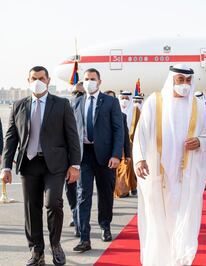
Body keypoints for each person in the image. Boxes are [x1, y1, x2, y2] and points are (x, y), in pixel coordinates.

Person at [133, 64, 206, 266]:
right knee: (158, 219)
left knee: (182, 217)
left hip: (185, 176)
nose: (184, 85)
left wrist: (200, 141)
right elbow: (140, 134)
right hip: (157, 175)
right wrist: (140, 158)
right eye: (180, 80)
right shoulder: (155, 102)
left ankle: (180, 259)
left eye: (188, 81)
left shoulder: (197, 105)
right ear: (172, 80)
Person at [1, 66, 81, 266]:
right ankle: (37, 251)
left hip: (54, 164)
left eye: (41, 78)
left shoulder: (61, 104)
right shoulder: (19, 105)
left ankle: (55, 245)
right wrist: (6, 167)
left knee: (53, 202)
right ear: (28, 80)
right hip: (28, 164)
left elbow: (72, 136)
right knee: (31, 208)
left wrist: (75, 165)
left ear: (48, 80)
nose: (38, 81)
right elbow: (11, 138)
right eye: (34, 78)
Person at [73, 68, 124, 252]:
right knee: (83, 195)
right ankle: (84, 237)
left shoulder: (110, 102)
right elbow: (71, 133)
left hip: (105, 156)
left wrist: (117, 155)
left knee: (105, 194)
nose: (89, 82)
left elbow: (119, 130)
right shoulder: (76, 103)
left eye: (92, 79)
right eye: (86, 79)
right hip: (83, 156)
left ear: (99, 81)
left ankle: (105, 226)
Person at [67, 82, 86, 237]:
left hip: (81, 157)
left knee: (80, 192)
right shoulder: (65, 106)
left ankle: (78, 223)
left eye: (80, 94)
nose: (77, 97)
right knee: (71, 190)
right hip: (66, 157)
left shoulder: (87, 106)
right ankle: (76, 217)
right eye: (75, 94)